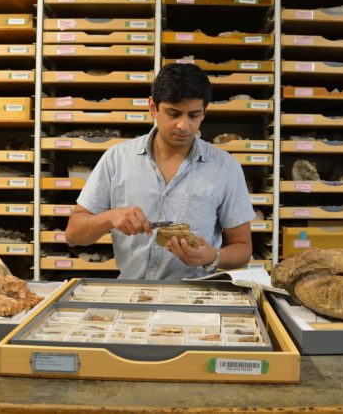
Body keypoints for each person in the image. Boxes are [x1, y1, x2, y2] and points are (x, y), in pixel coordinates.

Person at [65, 63, 255, 279]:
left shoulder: (225, 167)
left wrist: (212, 256)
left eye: (193, 115)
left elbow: (242, 249)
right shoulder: (117, 159)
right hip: (132, 295)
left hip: (196, 298)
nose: (184, 125)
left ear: (204, 113)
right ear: (153, 107)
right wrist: (109, 217)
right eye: (173, 114)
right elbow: (73, 235)